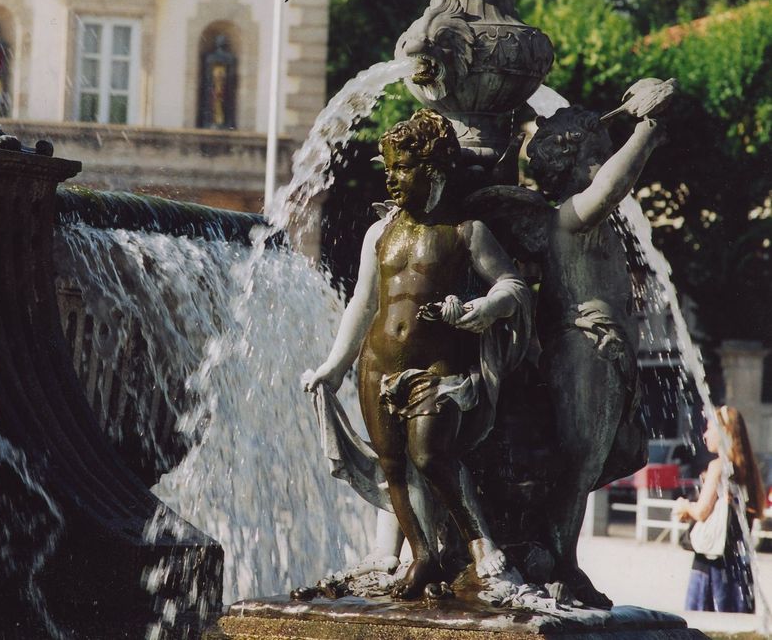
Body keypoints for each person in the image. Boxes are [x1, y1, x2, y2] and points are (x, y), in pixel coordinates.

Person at [303, 109, 530, 598]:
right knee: (393, 465)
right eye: (389, 166)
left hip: (437, 366)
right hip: (377, 364)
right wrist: (334, 366)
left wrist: (482, 308)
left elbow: (513, 284)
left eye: (402, 167)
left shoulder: (466, 231)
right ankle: (423, 556)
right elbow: (362, 306)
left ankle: (480, 544)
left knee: (429, 455)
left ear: (436, 172)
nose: (392, 177)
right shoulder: (380, 234)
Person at [466, 101, 669, 607]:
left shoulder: (578, 218)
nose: (604, 168)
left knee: (586, 462)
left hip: (604, 349)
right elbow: (611, 189)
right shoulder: (568, 218)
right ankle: (560, 565)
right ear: (571, 165)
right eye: (596, 159)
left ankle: (555, 557)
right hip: (582, 344)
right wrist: (647, 126)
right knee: (578, 466)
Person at [673, 406, 764, 613]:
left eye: (709, 428)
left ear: (724, 432)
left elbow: (702, 512)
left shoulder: (718, 466)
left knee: (703, 624)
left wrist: (683, 506)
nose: (705, 434)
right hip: (739, 568)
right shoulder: (747, 470)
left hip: (710, 566)